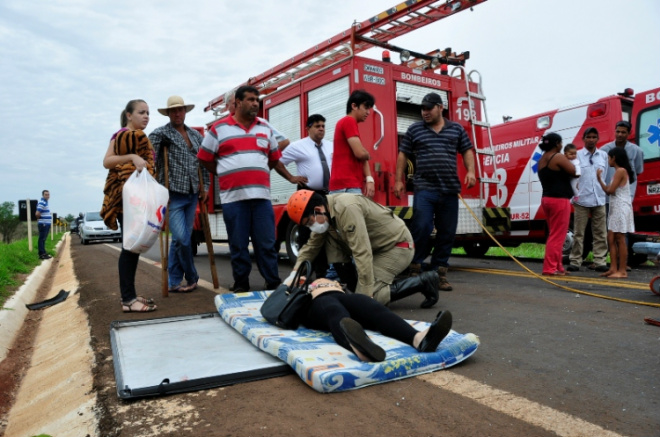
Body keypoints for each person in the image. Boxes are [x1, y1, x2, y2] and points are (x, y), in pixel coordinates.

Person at [198, 86, 305, 292]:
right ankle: (241, 284)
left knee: (266, 243)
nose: (256, 103)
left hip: (261, 197)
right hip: (233, 199)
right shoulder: (219, 129)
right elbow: (204, 158)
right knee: (238, 245)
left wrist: (260, 171)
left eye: (257, 99)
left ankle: (273, 283)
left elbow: (274, 158)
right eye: (250, 99)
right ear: (237, 103)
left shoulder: (264, 127)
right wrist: (225, 171)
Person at [285, 190, 440, 308]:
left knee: (372, 298)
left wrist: (365, 300)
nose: (311, 226)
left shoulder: (347, 208)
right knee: (330, 242)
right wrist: (294, 275)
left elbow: (362, 253)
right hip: (376, 249)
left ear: (318, 209)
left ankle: (424, 282)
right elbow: (311, 247)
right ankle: (360, 292)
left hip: (397, 246)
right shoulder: (326, 215)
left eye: (309, 222)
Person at [394, 92, 476, 291]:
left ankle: (439, 273)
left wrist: (471, 171)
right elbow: (403, 154)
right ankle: (415, 268)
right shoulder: (415, 130)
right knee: (421, 227)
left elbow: (466, 150)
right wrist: (398, 180)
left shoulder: (456, 129)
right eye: (422, 109)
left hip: (449, 189)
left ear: (440, 107)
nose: (424, 112)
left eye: (429, 108)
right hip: (425, 189)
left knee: (447, 233)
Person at [301, 277, 453, 362]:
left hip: (343, 295)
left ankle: (419, 339)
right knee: (334, 310)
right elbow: (282, 294)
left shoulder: (334, 279)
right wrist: (296, 281)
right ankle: (360, 350)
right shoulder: (300, 279)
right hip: (316, 302)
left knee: (370, 306)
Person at [149, 96, 210, 293]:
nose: (177, 114)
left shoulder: (195, 135)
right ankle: (192, 276)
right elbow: (148, 152)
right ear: (168, 113)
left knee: (179, 239)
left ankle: (174, 281)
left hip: (193, 192)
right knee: (183, 239)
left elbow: (204, 161)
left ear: (185, 112)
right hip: (173, 193)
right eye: (173, 111)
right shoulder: (161, 133)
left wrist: (206, 185)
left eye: (180, 110)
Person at [101, 99, 157, 312]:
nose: (146, 116)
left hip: (139, 198)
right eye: (141, 112)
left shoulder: (141, 137)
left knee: (134, 248)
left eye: (148, 113)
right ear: (129, 115)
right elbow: (107, 161)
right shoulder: (122, 135)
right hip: (128, 199)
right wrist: (132, 156)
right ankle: (127, 300)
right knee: (129, 247)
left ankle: (130, 295)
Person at [280, 114, 333, 278]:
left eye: (323, 126)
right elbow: (277, 161)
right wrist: (291, 177)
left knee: (325, 232)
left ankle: (322, 274)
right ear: (308, 128)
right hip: (307, 195)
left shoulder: (331, 146)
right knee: (306, 234)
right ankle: (303, 273)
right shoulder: (298, 146)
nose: (321, 129)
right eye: (317, 126)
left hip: (327, 195)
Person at [567, 128, 609, 272]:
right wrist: (573, 196)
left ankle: (600, 261)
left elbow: (606, 176)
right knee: (579, 232)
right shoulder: (576, 156)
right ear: (583, 139)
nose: (591, 139)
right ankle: (575, 261)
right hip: (581, 200)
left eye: (594, 137)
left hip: (599, 198)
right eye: (588, 137)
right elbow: (571, 177)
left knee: (600, 232)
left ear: (597, 139)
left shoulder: (603, 155)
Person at [536, 132, 576, 276]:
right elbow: (573, 170)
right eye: (560, 143)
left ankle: (558, 267)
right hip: (559, 200)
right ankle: (550, 268)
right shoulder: (557, 157)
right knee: (558, 235)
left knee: (555, 234)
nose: (561, 145)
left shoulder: (542, 160)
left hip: (547, 199)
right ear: (557, 144)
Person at [596, 147, 635, 279]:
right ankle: (613, 268)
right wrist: (600, 179)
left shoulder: (621, 171)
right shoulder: (617, 172)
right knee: (611, 238)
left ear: (614, 158)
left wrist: (601, 181)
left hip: (620, 207)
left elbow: (610, 190)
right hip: (615, 207)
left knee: (620, 238)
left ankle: (622, 270)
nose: (608, 160)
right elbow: (609, 189)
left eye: (609, 157)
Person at [329, 90, 375, 198]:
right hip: (347, 187)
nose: (368, 112)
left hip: (344, 186)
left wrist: (369, 179)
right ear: (354, 106)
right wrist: (367, 154)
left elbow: (361, 155)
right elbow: (360, 153)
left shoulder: (347, 123)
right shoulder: (349, 121)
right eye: (366, 107)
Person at [35, 190, 52, 260]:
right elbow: (37, 213)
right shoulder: (42, 203)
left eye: (48, 194)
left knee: (43, 239)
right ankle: (41, 254)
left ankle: (44, 253)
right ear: (43, 195)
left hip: (46, 223)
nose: (47, 196)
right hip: (43, 224)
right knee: (41, 239)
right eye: (46, 195)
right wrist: (41, 220)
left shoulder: (45, 203)